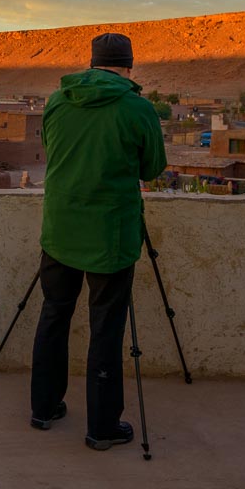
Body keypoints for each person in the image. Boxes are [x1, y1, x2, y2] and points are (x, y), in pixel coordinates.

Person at [30, 33, 167, 451]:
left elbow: (52, 150)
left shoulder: (57, 100)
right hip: (110, 236)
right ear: (129, 65)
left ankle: (43, 407)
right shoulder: (137, 108)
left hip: (59, 230)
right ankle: (102, 427)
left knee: (54, 314)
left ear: (91, 63)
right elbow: (152, 169)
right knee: (106, 328)